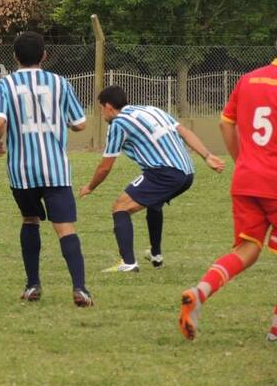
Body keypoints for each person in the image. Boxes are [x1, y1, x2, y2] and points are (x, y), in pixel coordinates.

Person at [0, 31, 93, 307]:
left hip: (22, 170)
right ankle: (80, 288)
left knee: (30, 220)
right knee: (65, 227)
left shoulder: (5, 84)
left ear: (15, 56)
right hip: (55, 168)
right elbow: (80, 123)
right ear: (44, 55)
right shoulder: (60, 83)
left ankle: (33, 284)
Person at [179, 58, 277, 341]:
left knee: (246, 249)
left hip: (247, 179)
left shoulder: (249, 79)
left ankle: (200, 293)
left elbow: (226, 124)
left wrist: (243, 161)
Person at [79, 86, 224, 272]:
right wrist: (207, 156)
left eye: (100, 109)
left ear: (108, 107)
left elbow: (105, 166)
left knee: (120, 208)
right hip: (187, 173)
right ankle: (156, 256)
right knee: (154, 204)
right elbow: (185, 132)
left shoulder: (118, 124)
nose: (101, 114)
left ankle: (128, 263)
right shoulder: (151, 110)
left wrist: (90, 187)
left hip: (164, 173)